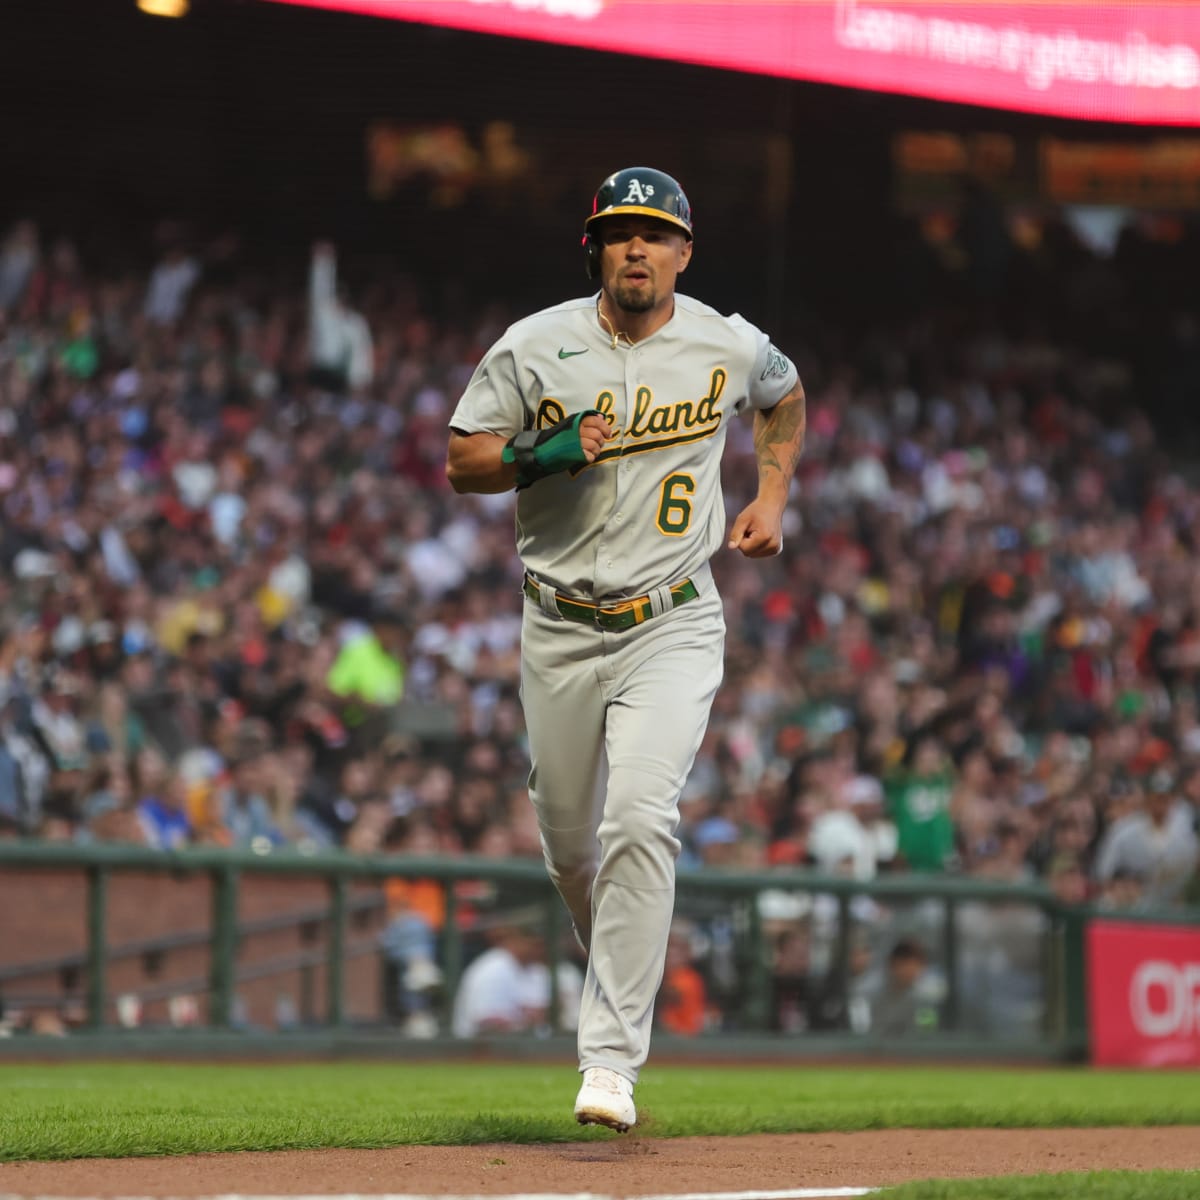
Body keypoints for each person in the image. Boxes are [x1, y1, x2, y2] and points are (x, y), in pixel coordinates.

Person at [446, 166, 805, 1130]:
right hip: (558, 624)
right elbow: (461, 460)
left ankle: (609, 1060)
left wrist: (770, 498)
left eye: (655, 233)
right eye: (619, 233)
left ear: (685, 251)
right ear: (595, 249)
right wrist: (544, 452)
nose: (636, 247)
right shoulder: (536, 342)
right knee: (570, 847)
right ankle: (618, 963)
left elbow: (784, 394)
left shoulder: (725, 343)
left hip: (675, 618)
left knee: (639, 821)